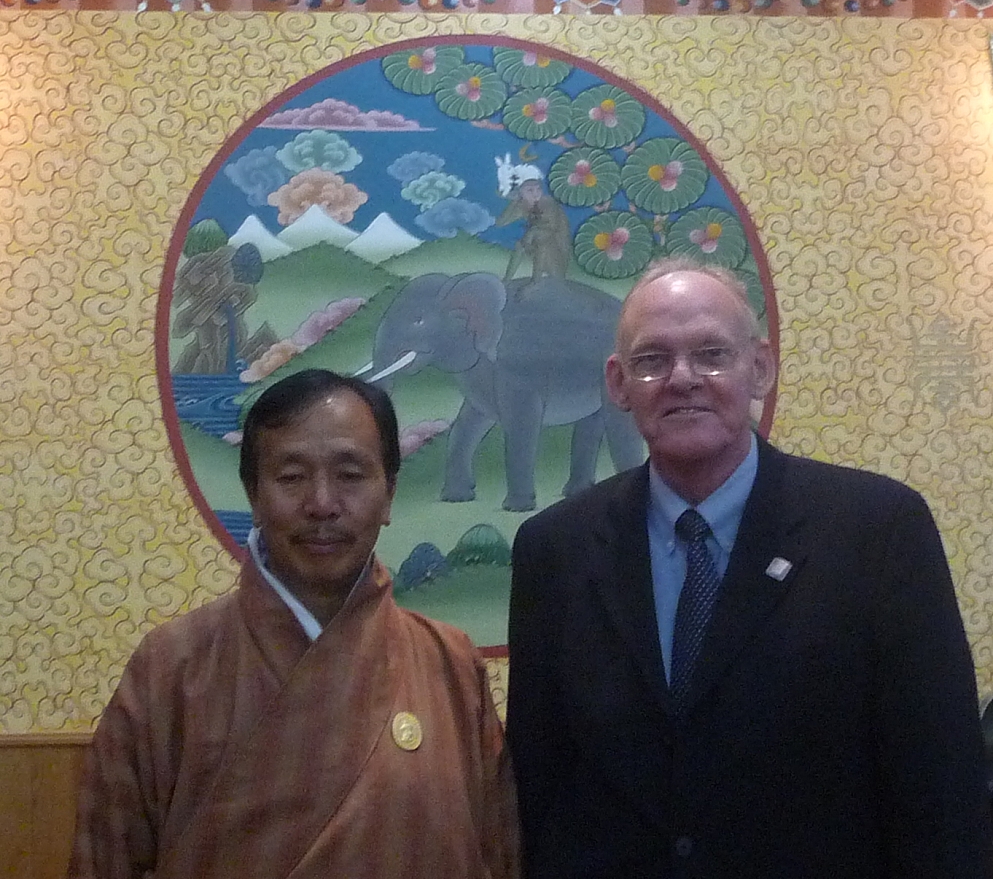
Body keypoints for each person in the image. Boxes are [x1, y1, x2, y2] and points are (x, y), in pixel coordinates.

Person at [506, 257, 992, 879]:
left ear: (760, 367)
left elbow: (942, 785)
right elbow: (542, 788)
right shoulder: (554, 550)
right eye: (652, 360)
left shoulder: (878, 532)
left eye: (711, 354)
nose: (682, 378)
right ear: (618, 384)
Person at [68, 369, 519, 879]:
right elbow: (105, 857)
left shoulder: (449, 662)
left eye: (350, 475)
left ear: (389, 493)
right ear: (254, 496)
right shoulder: (172, 666)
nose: (322, 504)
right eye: (291, 477)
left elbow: (498, 853)